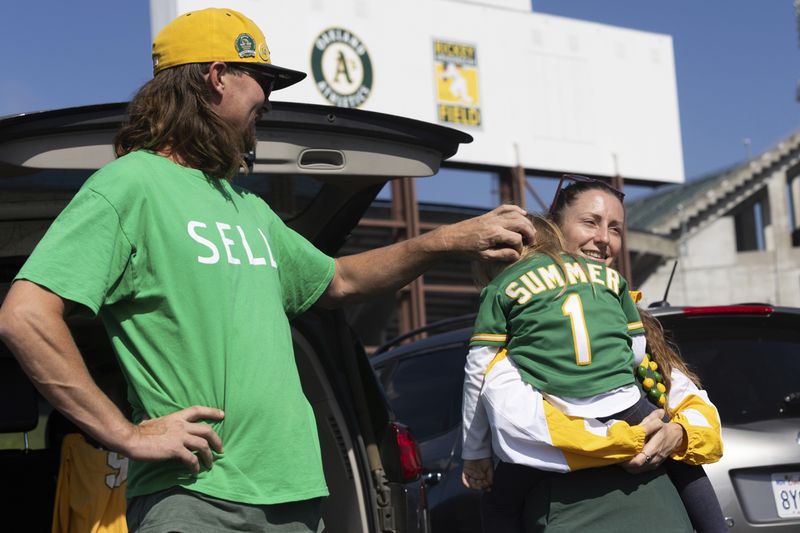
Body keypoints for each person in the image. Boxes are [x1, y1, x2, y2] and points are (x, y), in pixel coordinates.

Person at [0, 8, 534, 533]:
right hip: (198, 500)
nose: (268, 103)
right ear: (216, 77)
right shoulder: (130, 186)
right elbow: (25, 316)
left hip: (295, 498)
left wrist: (447, 240)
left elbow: (339, 280)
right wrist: (125, 434)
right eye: (262, 81)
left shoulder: (246, 207)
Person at [461, 176, 725, 532]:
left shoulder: (630, 315)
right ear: (553, 231)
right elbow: (525, 424)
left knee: (498, 504)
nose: (603, 238)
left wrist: (677, 435)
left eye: (615, 228)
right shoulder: (516, 339)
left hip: (663, 514)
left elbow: (697, 408)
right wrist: (625, 440)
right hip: (577, 516)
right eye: (590, 222)